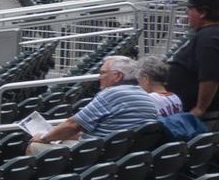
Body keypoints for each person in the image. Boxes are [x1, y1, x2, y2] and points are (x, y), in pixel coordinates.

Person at [29, 54, 163, 151]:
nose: (100, 77)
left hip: (98, 154)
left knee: (34, 146)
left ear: (118, 76)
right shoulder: (146, 96)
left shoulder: (112, 94)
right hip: (120, 154)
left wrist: (44, 138)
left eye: (103, 73)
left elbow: (73, 124)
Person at [173, 0, 219, 120]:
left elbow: (210, 75)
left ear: (203, 12)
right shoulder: (209, 33)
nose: (187, 14)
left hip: (199, 115)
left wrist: (200, 108)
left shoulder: (209, 36)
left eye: (189, 9)